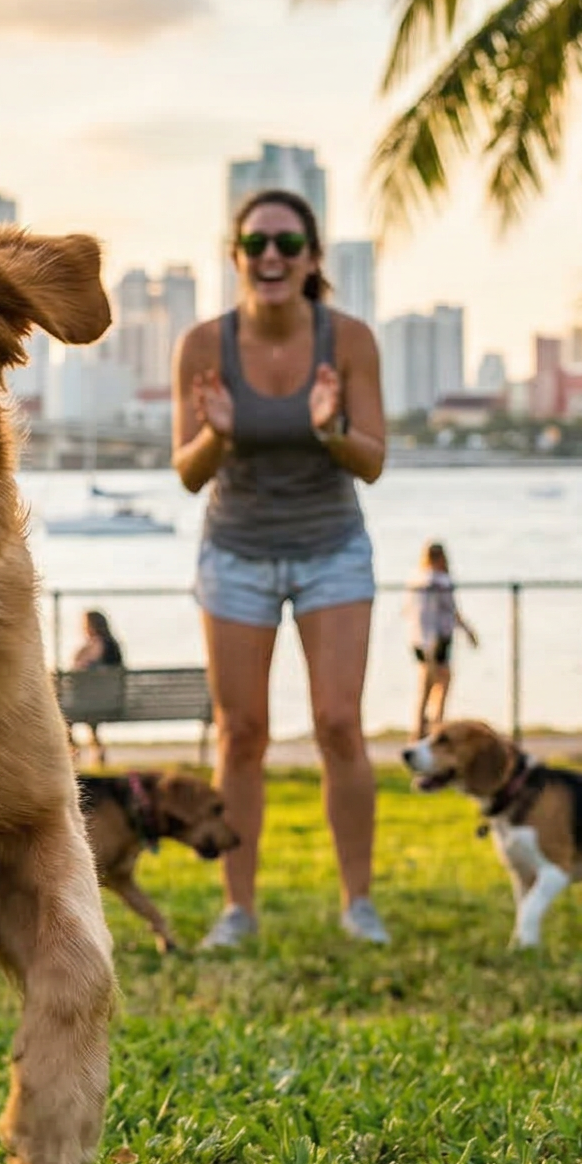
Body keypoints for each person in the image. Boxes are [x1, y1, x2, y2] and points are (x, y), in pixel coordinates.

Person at [172, 186, 391, 949]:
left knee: (338, 723)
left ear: (312, 258)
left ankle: (358, 902)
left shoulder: (350, 340)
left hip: (332, 546)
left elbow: (372, 462)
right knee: (242, 734)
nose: (272, 256)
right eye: (257, 244)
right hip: (236, 551)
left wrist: (331, 426)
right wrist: (219, 436)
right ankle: (238, 908)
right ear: (235, 257)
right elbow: (188, 472)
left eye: (288, 244)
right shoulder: (203, 344)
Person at [405, 542, 478, 738]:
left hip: (418, 638)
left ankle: (419, 728)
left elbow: (408, 611)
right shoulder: (441, 581)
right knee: (442, 681)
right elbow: (452, 611)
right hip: (437, 638)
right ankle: (436, 727)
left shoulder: (416, 580)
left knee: (426, 683)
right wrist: (468, 631)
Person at [67, 609, 125, 766]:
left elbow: (79, 670)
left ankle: (73, 752)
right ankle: (97, 753)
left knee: (64, 715)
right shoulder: (113, 645)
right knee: (89, 717)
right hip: (112, 701)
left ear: (92, 625)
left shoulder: (97, 645)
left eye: (85, 624)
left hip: (96, 702)